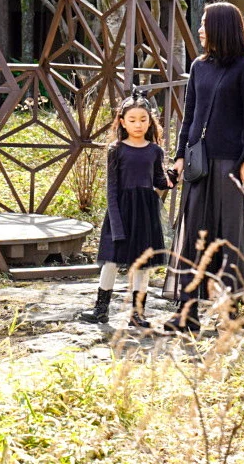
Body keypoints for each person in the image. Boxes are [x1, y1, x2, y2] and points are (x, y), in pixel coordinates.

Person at [163, 0, 244, 334]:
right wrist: (180, 155)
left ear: (221, 27)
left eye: (205, 23)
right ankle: (187, 313)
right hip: (199, 164)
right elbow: (189, 115)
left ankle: (231, 313)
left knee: (231, 236)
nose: (200, 29)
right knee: (194, 234)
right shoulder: (198, 66)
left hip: (231, 167)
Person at [79, 95, 173, 327]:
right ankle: (100, 310)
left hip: (146, 211)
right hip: (119, 210)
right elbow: (112, 189)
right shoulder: (116, 150)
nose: (138, 124)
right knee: (111, 261)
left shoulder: (155, 151)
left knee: (143, 264)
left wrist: (172, 176)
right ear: (122, 122)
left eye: (143, 119)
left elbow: (160, 182)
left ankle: (138, 314)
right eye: (132, 120)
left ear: (150, 122)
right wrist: (117, 223)